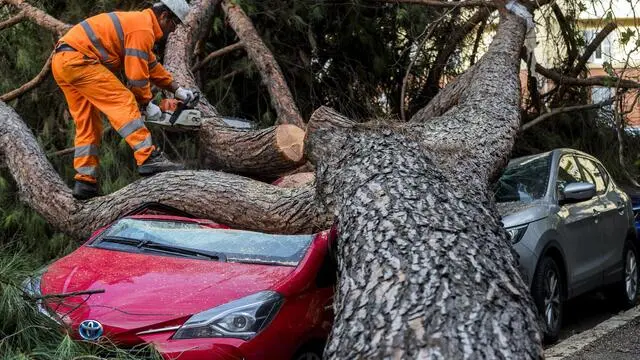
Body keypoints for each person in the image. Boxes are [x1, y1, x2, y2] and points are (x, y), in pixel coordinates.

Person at [51, 0, 193, 200]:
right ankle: (147, 156)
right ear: (164, 16)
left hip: (63, 62)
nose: (173, 30)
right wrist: (145, 103)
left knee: (89, 123)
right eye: (174, 24)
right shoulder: (143, 29)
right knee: (123, 99)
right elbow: (136, 76)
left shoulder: (138, 24)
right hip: (79, 60)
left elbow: (150, 65)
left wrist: (176, 89)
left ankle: (84, 181)